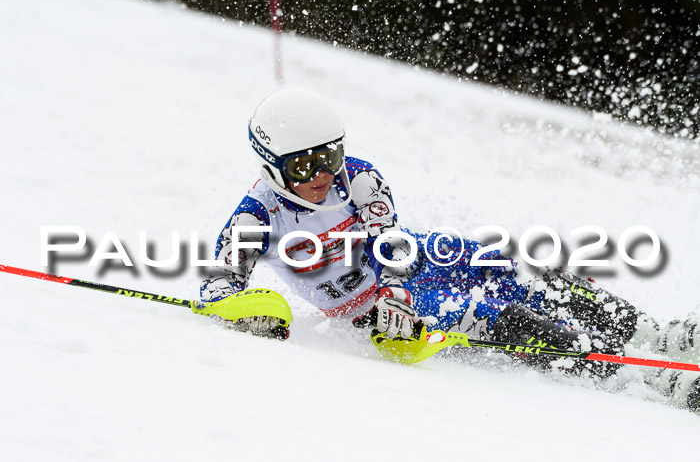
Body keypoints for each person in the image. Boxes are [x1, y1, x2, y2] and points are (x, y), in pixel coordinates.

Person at [200, 89, 700, 412]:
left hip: (416, 261)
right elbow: (218, 282)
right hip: (371, 309)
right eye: (305, 167)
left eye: (330, 155)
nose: (325, 175)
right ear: (271, 165)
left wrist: (395, 285)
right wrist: (249, 312)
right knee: (499, 315)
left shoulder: (361, 176)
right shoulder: (257, 216)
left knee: (520, 267)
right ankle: (649, 376)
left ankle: (658, 335)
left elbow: (388, 242)